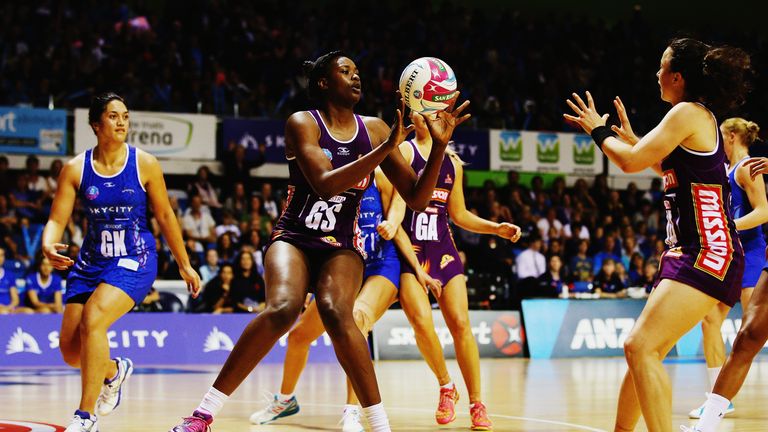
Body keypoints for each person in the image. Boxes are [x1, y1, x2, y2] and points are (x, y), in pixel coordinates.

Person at [170, 51, 469, 432]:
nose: (356, 77)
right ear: (324, 83)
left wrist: (440, 147)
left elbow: (417, 198)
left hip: (341, 245)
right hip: (294, 236)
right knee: (282, 308)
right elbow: (326, 185)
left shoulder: (376, 128)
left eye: (358, 71)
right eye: (346, 71)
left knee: (337, 312)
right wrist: (384, 149)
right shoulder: (302, 123)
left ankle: (378, 424)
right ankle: (203, 414)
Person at [565, 37, 751, 432]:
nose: (657, 73)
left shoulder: (687, 112)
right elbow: (665, 169)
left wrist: (599, 131)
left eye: (662, 67)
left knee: (640, 346)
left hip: (708, 252)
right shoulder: (695, 118)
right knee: (645, 350)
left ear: (678, 77)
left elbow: (630, 164)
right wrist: (636, 143)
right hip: (695, 251)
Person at [41, 92, 200, 432]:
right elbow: (56, 219)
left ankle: (85, 418)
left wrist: (184, 263)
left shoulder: (144, 163)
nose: (122, 122)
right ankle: (114, 371)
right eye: (114, 116)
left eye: (125, 116)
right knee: (71, 352)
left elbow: (166, 216)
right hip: (91, 261)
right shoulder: (75, 168)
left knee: (94, 318)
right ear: (96, 125)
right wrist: (46, 245)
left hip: (135, 257)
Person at [249, 167, 441, 431]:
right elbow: (319, 235)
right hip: (344, 266)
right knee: (298, 337)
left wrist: (415, 264)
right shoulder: (330, 177)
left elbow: (396, 217)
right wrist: (312, 282)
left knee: (356, 323)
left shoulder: (380, 176)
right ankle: (285, 400)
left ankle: (352, 412)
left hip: (380, 264)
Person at [382, 115, 521, 430]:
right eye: (417, 109)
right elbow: (396, 209)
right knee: (420, 321)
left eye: (428, 110)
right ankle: (446, 386)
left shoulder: (453, 164)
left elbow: (458, 215)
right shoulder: (404, 153)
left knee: (460, 325)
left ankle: (476, 403)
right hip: (411, 251)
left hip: (442, 252)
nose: (422, 116)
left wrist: (494, 228)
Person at [688, 118, 766, 419]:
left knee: (755, 330)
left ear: (732, 137)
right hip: (733, 254)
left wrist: (727, 225)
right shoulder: (727, 170)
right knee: (710, 320)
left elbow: (764, 212)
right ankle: (718, 398)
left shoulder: (747, 167)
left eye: (721, 137)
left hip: (753, 255)